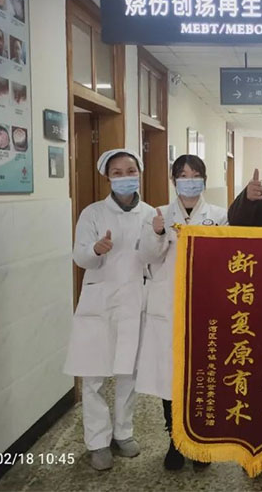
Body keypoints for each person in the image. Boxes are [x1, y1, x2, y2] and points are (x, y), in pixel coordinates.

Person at [63, 149, 155, 471]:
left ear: (139, 173)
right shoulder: (92, 214)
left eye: (130, 170)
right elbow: (80, 257)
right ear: (107, 177)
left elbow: (156, 256)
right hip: (99, 302)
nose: (125, 177)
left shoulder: (150, 214)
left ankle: (123, 433)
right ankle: (97, 441)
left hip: (134, 301)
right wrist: (95, 249)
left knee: (128, 373)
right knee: (94, 374)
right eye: (117, 172)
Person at [135, 155, 228, 471]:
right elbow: (147, 256)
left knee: (203, 374)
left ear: (204, 179)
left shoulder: (219, 216)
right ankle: (175, 440)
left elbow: (227, 260)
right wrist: (158, 233)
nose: (189, 180)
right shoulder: (158, 214)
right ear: (174, 180)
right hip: (169, 306)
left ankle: (200, 442)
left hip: (206, 305)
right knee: (170, 377)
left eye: (195, 174)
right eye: (183, 175)